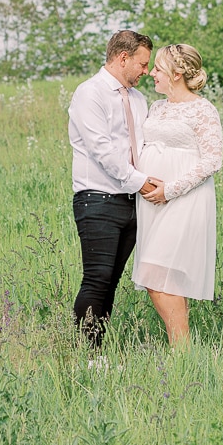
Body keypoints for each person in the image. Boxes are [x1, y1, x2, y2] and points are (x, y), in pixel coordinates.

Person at [68, 30, 161, 349]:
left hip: (133, 202)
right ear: (124, 58)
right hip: (97, 199)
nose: (146, 72)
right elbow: (102, 151)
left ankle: (96, 351)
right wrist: (144, 183)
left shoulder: (137, 99)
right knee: (97, 278)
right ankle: (87, 356)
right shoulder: (89, 93)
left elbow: (146, 147)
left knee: (111, 282)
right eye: (143, 64)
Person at [132, 43, 223, 346]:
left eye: (157, 68)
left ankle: (182, 351)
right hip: (152, 202)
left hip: (185, 198)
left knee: (155, 273)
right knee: (162, 278)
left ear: (177, 73)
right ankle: (182, 354)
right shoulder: (157, 107)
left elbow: (212, 160)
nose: (152, 74)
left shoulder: (203, 109)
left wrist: (169, 190)